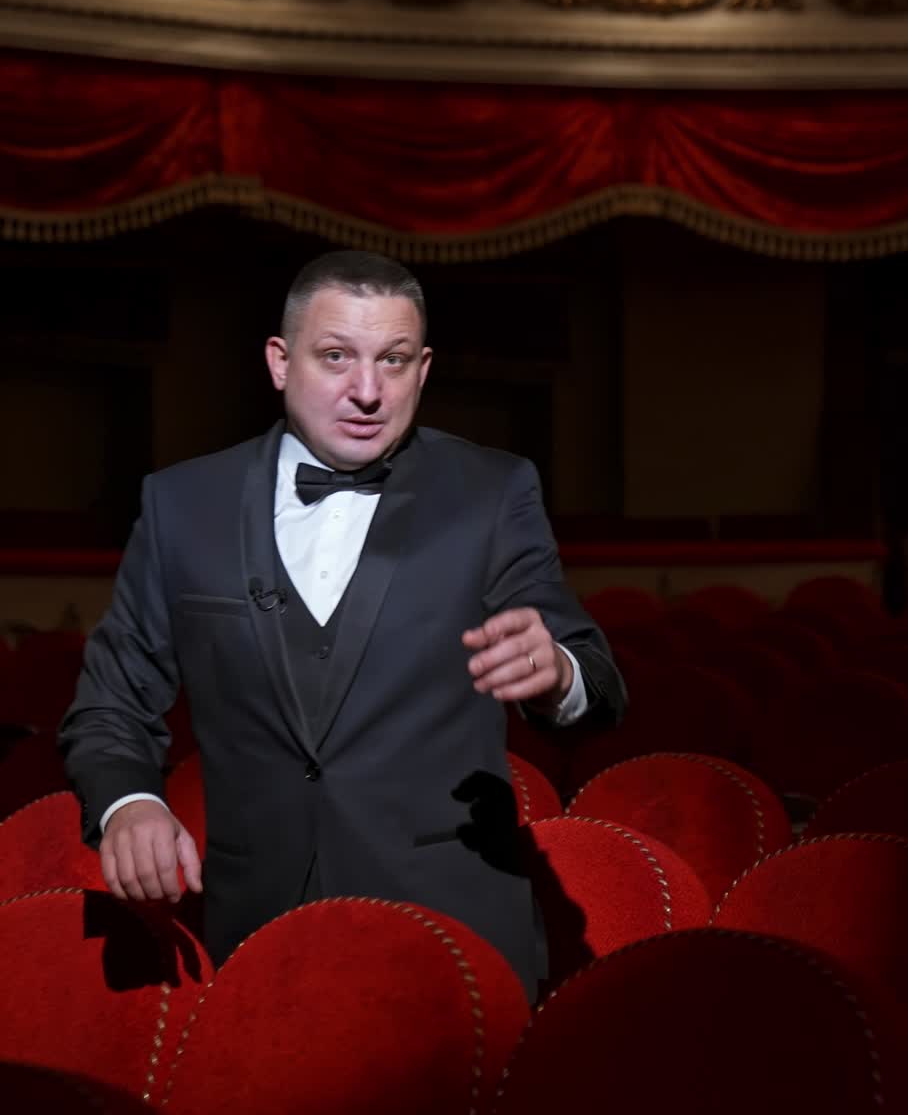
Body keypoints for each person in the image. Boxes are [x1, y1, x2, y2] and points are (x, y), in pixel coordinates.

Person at [58, 250, 626, 999]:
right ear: (279, 362)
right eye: (336, 358)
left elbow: (599, 680)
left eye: (393, 361)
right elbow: (110, 706)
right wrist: (131, 804)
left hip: (453, 934)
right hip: (255, 932)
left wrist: (557, 670)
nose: (368, 391)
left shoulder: (492, 492)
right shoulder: (182, 506)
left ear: (422, 370)